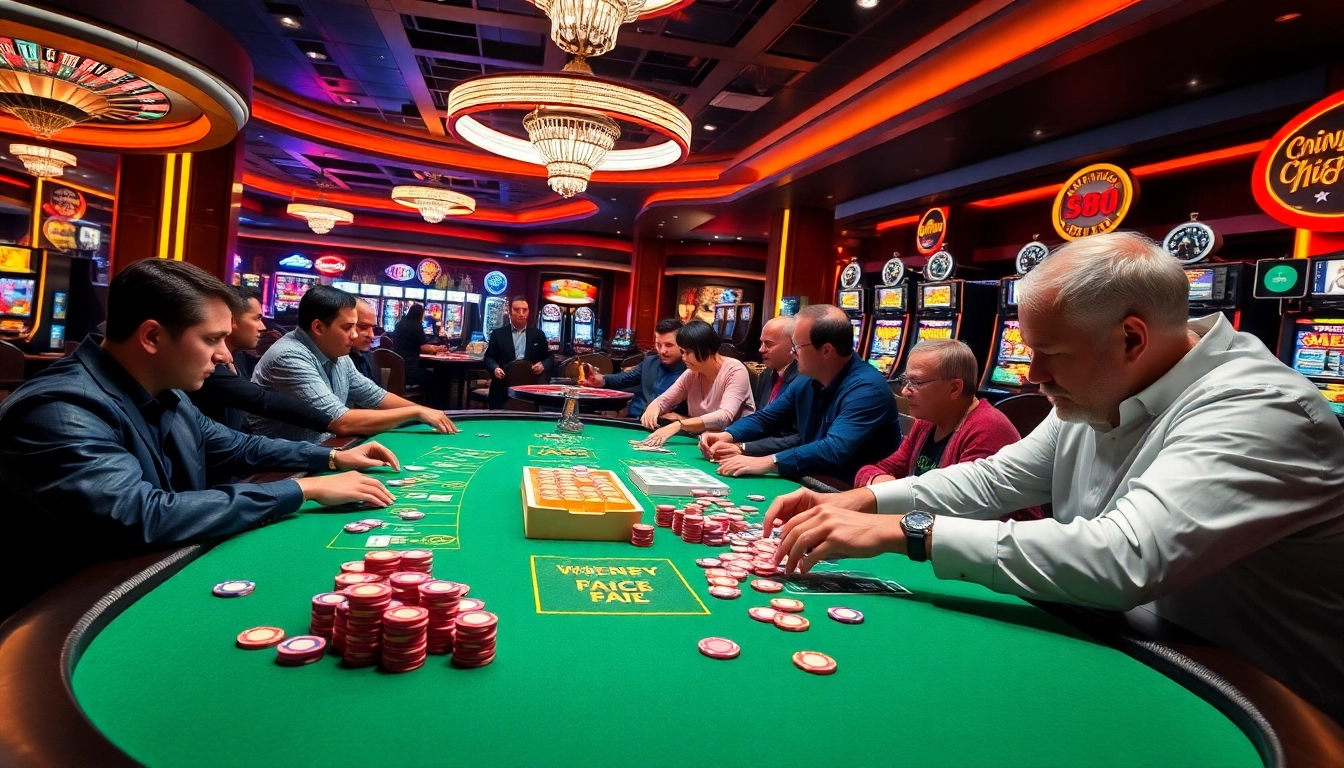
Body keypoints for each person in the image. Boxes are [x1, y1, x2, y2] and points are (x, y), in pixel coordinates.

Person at [761, 232, 1344, 723]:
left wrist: (909, 532)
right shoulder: (1101, 390)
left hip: (1263, 703)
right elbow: (992, 481)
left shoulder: (1259, 409)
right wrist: (865, 500)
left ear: (1132, 338)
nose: (1032, 373)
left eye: (1051, 354)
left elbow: (1124, 556)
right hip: (1127, 645)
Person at [0, 260, 402, 618]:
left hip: (142, 582)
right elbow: (142, 516)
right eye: (212, 340)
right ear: (152, 337)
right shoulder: (60, 409)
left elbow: (238, 445)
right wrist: (303, 489)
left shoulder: (166, 391)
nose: (227, 357)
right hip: (68, 620)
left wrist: (332, 460)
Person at [700, 304, 903, 485]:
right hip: (809, 479)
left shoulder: (867, 389)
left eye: (797, 347)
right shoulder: (807, 378)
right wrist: (728, 435)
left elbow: (834, 449)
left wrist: (769, 461)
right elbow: (767, 418)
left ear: (826, 350)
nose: (793, 353)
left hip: (847, 491)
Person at [853, 339, 1043, 520]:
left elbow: (964, 513)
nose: (904, 391)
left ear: (954, 388)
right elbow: (874, 470)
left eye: (916, 382)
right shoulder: (927, 422)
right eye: (905, 380)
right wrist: (882, 486)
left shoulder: (987, 429)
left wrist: (890, 495)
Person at [250, 286, 457, 441]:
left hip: (320, 452)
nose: (356, 334)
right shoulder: (289, 356)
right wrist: (416, 412)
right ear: (318, 327)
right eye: (348, 327)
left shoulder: (338, 355)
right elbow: (341, 421)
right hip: (281, 471)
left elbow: (376, 396)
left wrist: (427, 412)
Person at [188, 285, 334, 436]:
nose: (262, 327)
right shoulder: (207, 364)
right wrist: (332, 422)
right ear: (231, 319)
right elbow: (262, 399)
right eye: (257, 318)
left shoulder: (239, 357)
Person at [638, 320, 755, 446]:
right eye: (682, 352)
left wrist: (679, 425)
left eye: (688, 352)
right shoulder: (692, 373)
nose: (683, 358)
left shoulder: (735, 371)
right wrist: (654, 407)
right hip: (700, 441)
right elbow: (665, 400)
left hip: (734, 445)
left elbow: (724, 417)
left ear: (705, 349)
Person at [705, 315, 799, 459]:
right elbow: (761, 420)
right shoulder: (766, 375)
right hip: (759, 453)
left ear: (794, 345)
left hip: (787, 460)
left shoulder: (806, 379)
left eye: (769, 344)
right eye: (761, 343)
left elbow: (797, 437)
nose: (761, 350)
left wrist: (745, 448)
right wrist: (728, 435)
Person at [579, 318, 687, 419]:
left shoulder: (691, 371)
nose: (662, 351)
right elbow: (625, 378)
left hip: (664, 426)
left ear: (682, 344)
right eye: (658, 344)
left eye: (669, 345)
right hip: (633, 420)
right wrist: (600, 380)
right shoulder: (649, 362)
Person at [482, 296, 551, 408]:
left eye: (525, 310)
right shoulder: (498, 334)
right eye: (517, 309)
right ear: (510, 312)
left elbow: (549, 358)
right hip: (503, 387)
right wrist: (495, 368)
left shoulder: (538, 335)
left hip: (530, 388)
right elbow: (488, 358)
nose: (521, 313)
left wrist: (543, 365)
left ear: (529, 312)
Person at [393, 303, 444, 387]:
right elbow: (423, 348)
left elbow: (414, 345)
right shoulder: (416, 325)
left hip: (399, 368)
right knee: (438, 378)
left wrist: (437, 347)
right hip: (411, 368)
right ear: (419, 314)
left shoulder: (399, 324)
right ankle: (429, 399)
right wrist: (437, 349)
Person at [349, 299, 381, 386]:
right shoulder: (336, 358)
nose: (372, 335)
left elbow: (376, 394)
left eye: (373, 328)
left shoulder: (367, 354)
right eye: (364, 327)